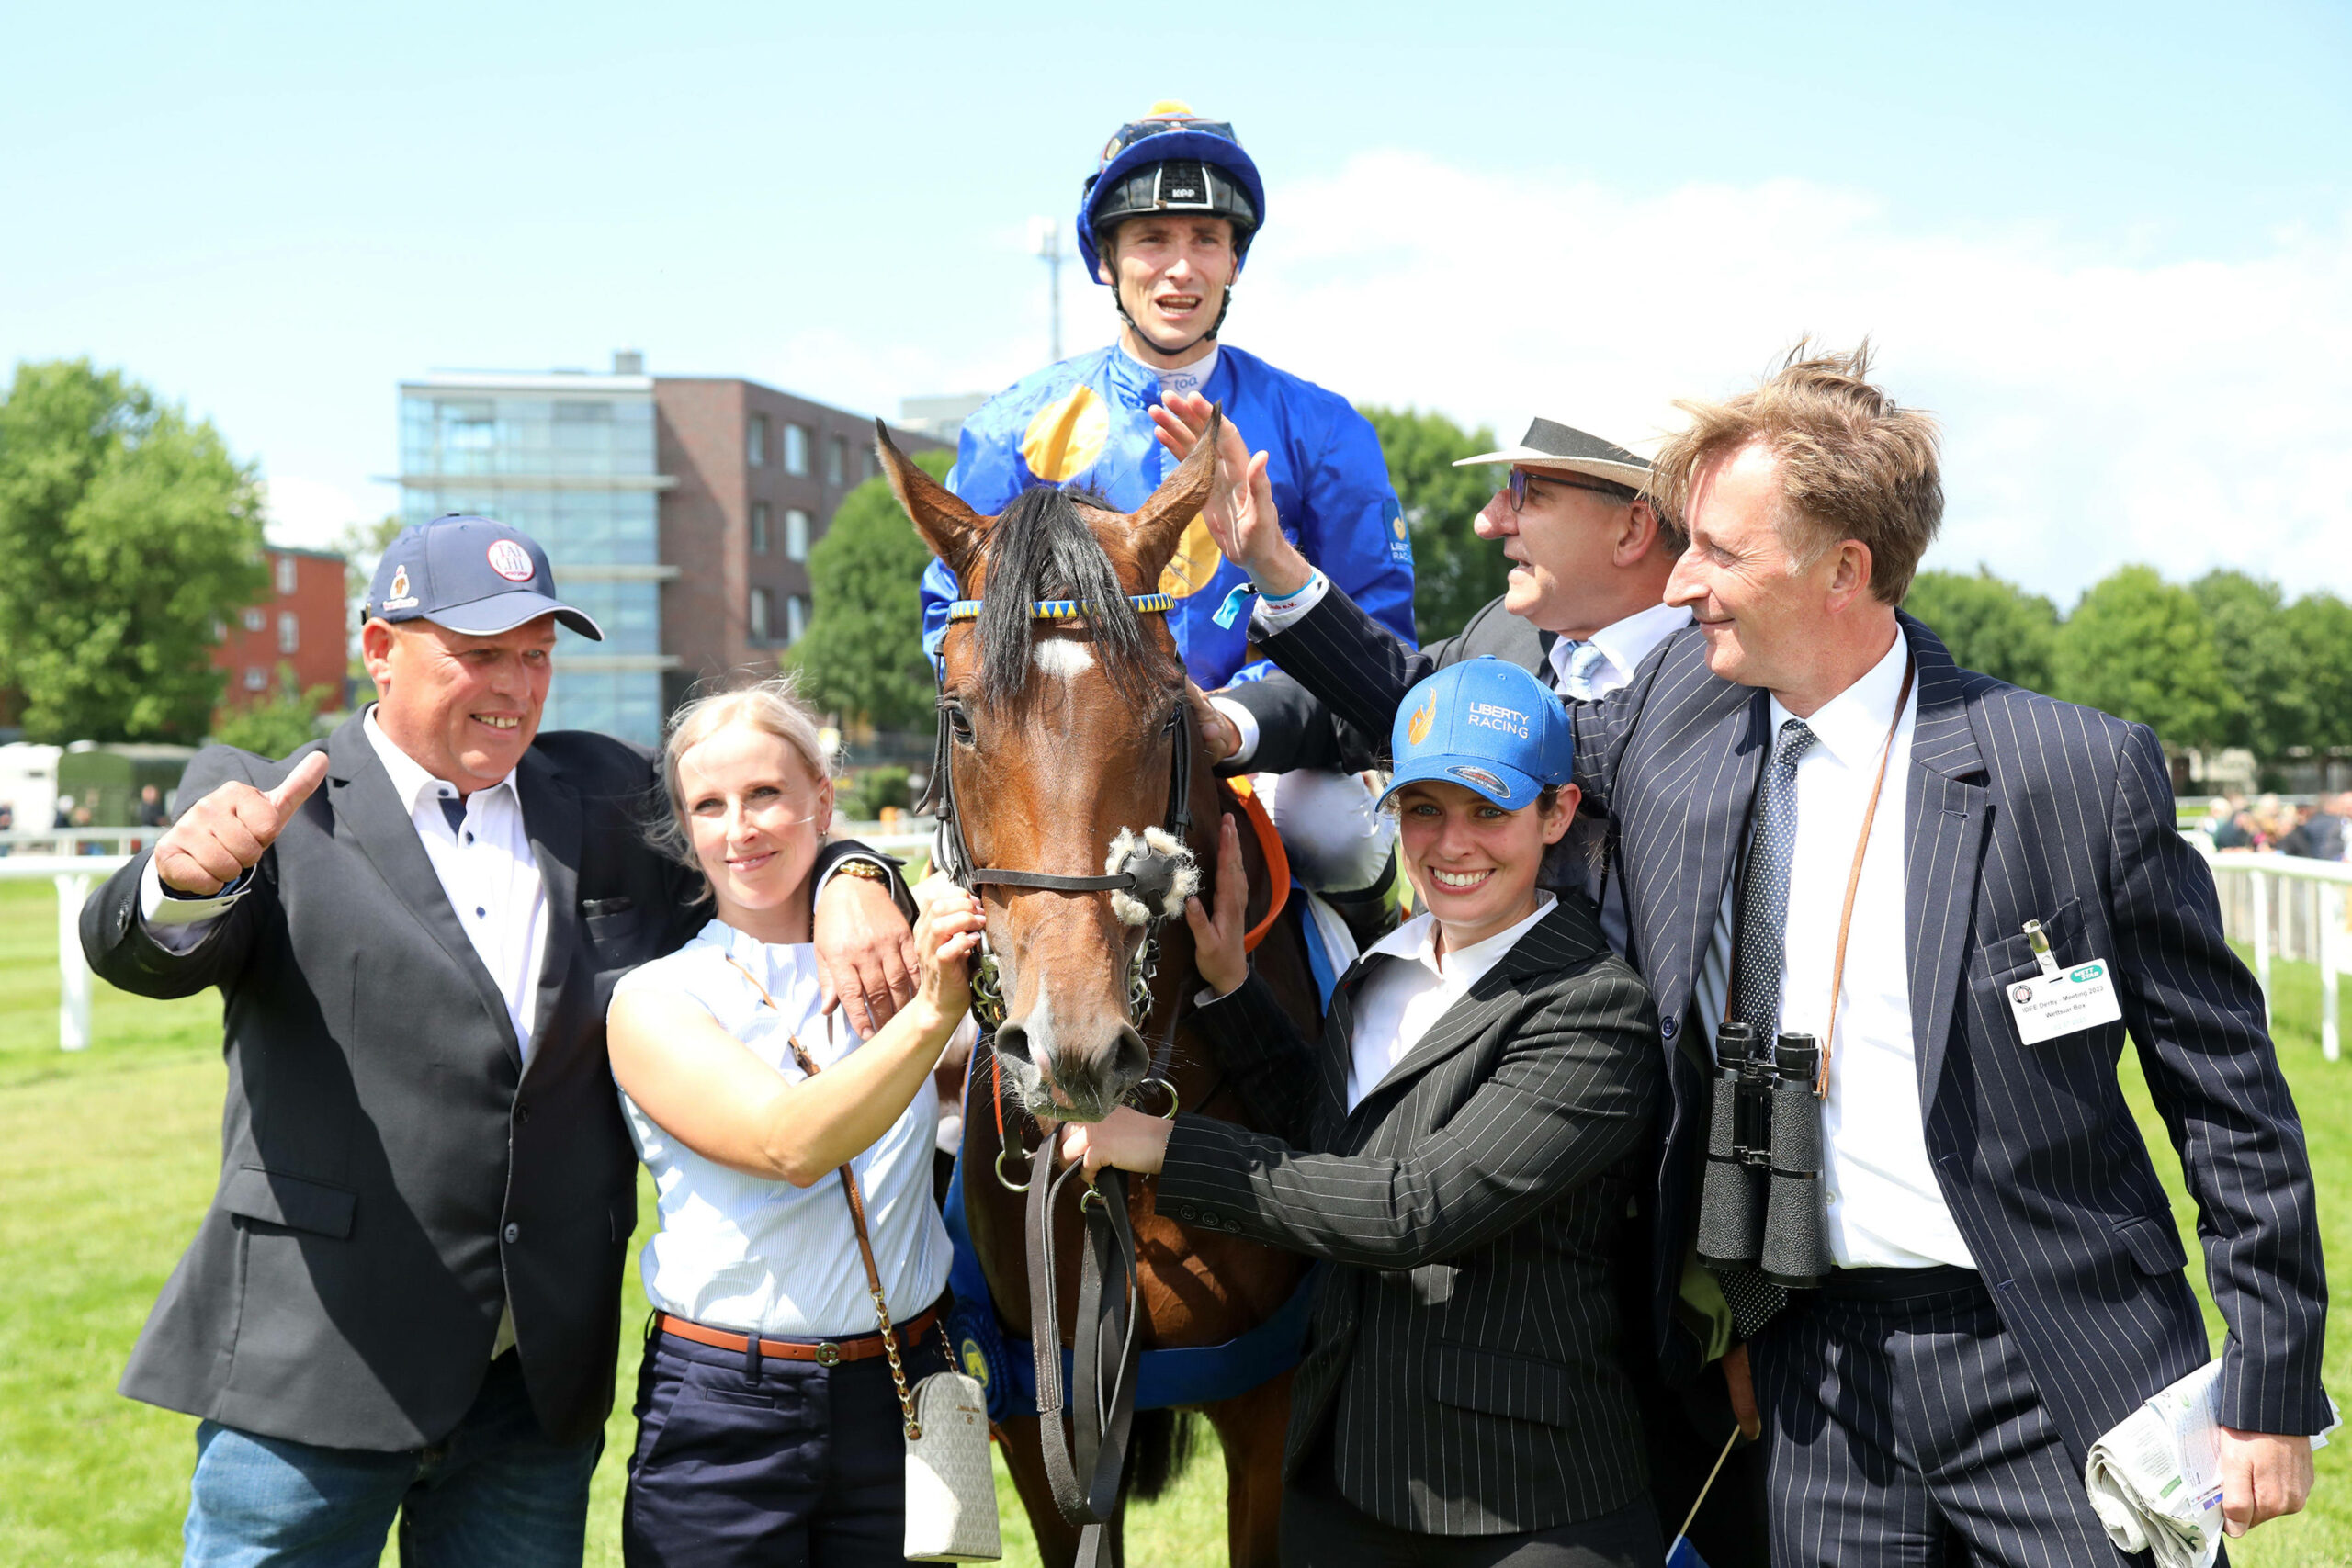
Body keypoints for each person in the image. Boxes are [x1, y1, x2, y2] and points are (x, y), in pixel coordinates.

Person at [1205, 343, 2329, 1563]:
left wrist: (2271, 1379)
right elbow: (1457, 718)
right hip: (1811, 1376)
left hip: (2060, 1365)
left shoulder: (2071, 770)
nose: (1681, 582)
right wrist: (1277, 574)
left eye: (1719, 551)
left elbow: (2230, 1100)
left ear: (1844, 568)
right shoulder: (1664, 741)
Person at [79, 513, 915, 1566]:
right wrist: (180, 880)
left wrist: (851, 875)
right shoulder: (272, 799)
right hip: (313, 1372)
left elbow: (758, 824)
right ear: (380, 651)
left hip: (531, 1389)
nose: (516, 685)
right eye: (479, 655)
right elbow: (144, 952)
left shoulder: (606, 794)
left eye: (535, 656)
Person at [1168, 402, 1767, 1564]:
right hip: (1439, 1274)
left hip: (1669, 1181)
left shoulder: (1740, 666)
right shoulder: (1506, 640)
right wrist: (1269, 581)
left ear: (1636, 523)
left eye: (1526, 495)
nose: (1491, 519)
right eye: (1424, 808)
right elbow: (1408, 697)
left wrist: (1747, 1287)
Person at [1065, 658, 1667, 1568]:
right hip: (1345, 1480)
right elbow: (1325, 1145)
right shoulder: (1378, 972)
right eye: (1424, 809)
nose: (1451, 845)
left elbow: (1410, 1211)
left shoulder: (1594, 1008)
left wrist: (1165, 1147)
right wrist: (1233, 991)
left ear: (1556, 813)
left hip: (1523, 1507)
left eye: (1488, 811)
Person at [918, 100, 1417, 926]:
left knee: (1343, 835)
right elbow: (950, 613)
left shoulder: (1325, 428)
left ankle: (1370, 1029)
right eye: (1153, 239)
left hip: (1261, 758)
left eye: (1206, 241)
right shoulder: (1010, 428)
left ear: (1234, 262)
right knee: (943, 887)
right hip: (1065, 754)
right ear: (1107, 261)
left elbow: (1380, 634)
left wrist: (1232, 717)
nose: (1180, 269)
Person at [605, 678, 984, 1565]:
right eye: (710, 805)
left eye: (766, 793)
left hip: (904, 1385)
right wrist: (931, 1016)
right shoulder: (656, 997)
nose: (740, 828)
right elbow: (791, 1144)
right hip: (727, 1408)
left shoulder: (911, 946)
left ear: (823, 796)